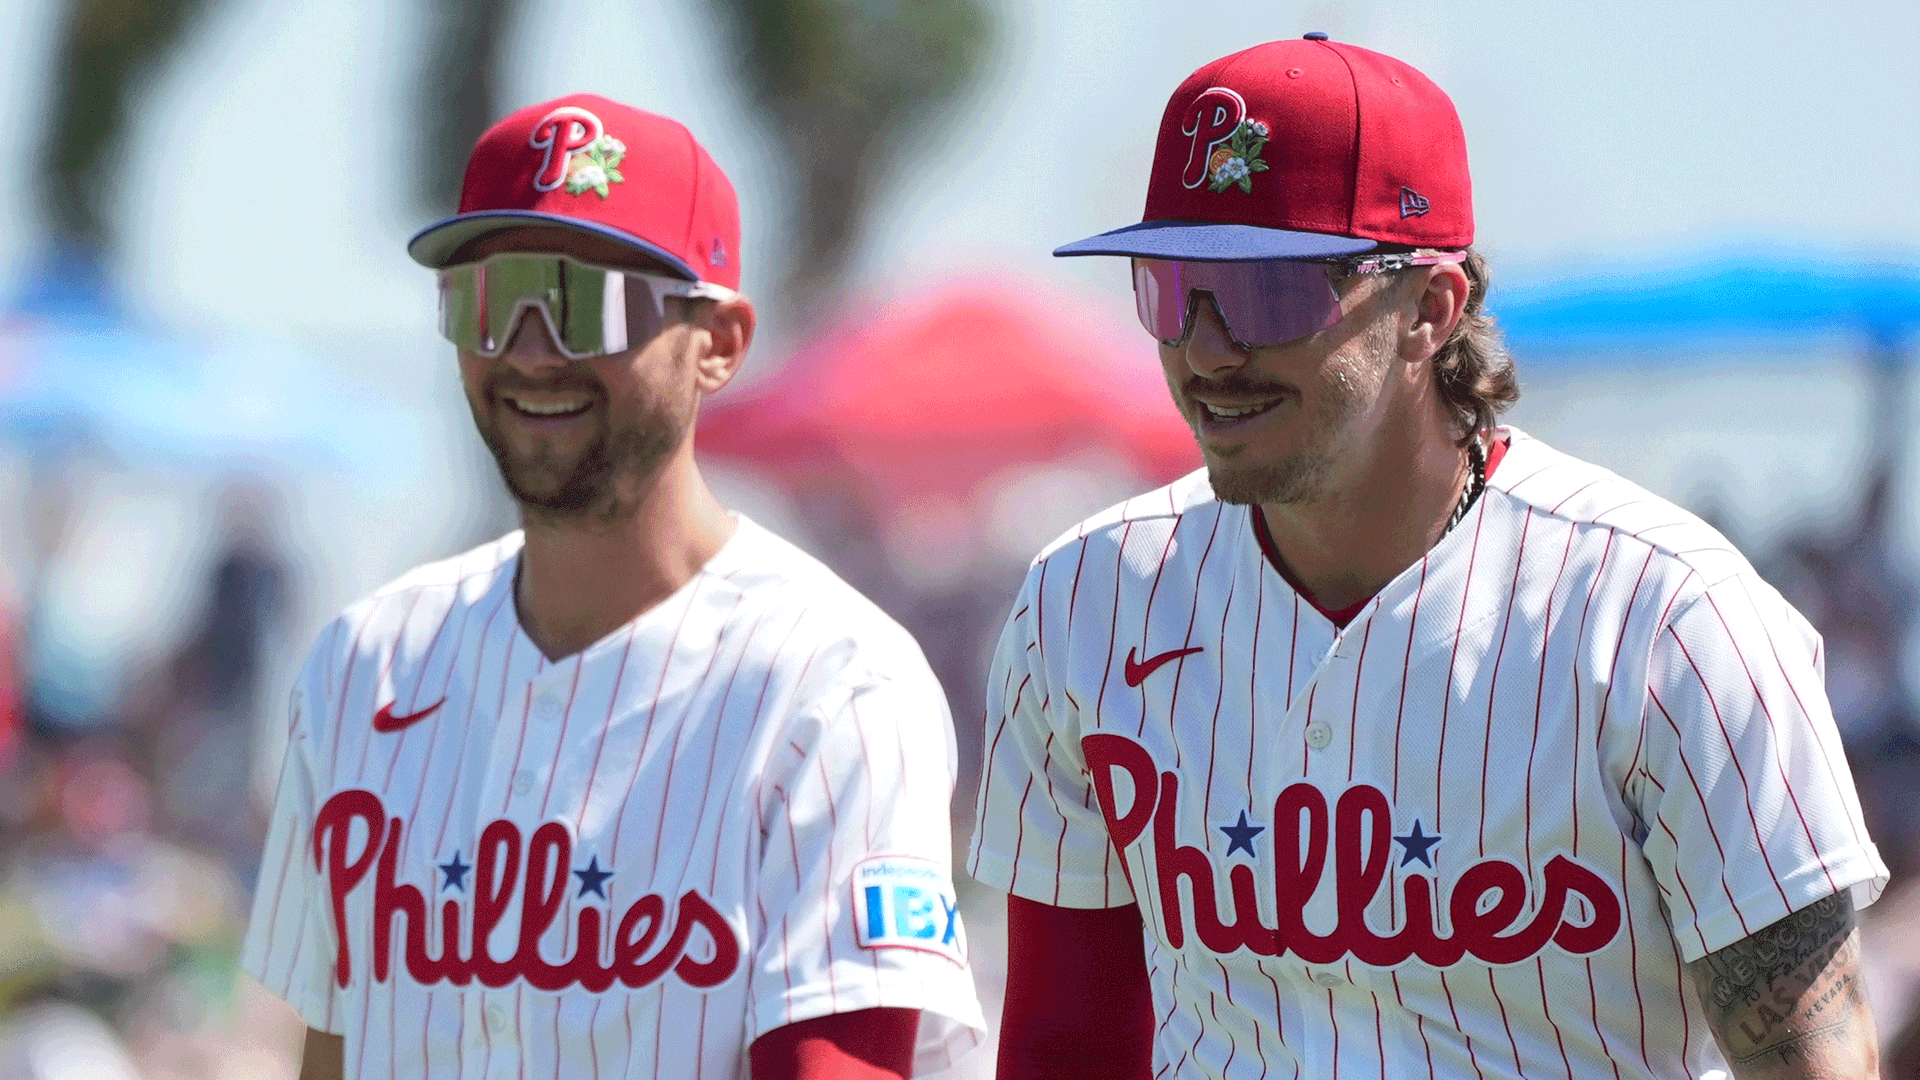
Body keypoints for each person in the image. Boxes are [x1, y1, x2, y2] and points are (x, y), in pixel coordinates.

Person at [968, 36, 1886, 1080]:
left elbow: (1817, 1066)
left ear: (1432, 309)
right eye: (1171, 287)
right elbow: (1063, 1048)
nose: (1208, 348)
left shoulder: (1666, 618)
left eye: (1269, 294)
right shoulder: (1087, 601)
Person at [241, 94, 984, 1080]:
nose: (532, 348)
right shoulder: (361, 663)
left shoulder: (835, 684)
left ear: (717, 341)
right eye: (488, 300)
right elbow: (330, 1052)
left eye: (585, 301)